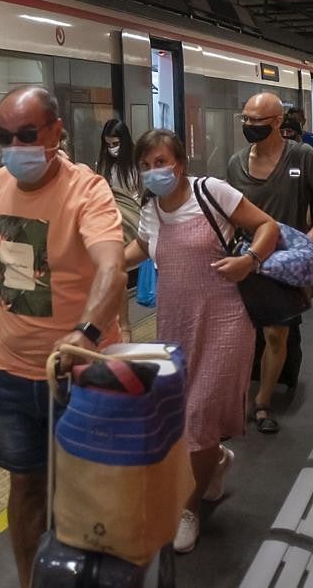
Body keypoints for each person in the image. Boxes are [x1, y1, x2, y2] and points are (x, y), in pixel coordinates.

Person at [0, 86, 125, 588]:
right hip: (14, 375)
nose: (15, 145)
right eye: (4, 136)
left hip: (84, 372)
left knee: (91, 493)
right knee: (26, 487)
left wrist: (85, 333)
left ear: (56, 131)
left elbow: (111, 269)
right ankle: (28, 582)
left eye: (27, 135)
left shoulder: (89, 191)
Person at [123, 129, 279, 553]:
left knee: (198, 414)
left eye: (161, 162)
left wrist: (251, 259)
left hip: (226, 320)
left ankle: (188, 509)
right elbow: (141, 246)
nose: (154, 171)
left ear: (180, 164)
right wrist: (104, 267)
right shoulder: (151, 208)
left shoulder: (212, 192)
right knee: (182, 419)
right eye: (146, 164)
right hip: (176, 325)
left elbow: (266, 225)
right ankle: (217, 460)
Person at [226, 93, 313, 435]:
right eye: (244, 119)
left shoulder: (302, 156)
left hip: (286, 262)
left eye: (256, 121)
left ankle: (263, 403)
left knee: (278, 332)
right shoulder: (235, 163)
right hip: (247, 258)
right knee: (245, 331)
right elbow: (227, 210)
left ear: (277, 122)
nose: (248, 127)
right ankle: (242, 391)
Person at [97, 118, 141, 341]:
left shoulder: (135, 164)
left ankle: (124, 326)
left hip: (130, 224)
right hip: (111, 222)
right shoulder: (105, 164)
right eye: (108, 144)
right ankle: (117, 325)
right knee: (113, 272)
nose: (112, 149)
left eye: (115, 143)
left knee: (117, 272)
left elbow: (137, 197)